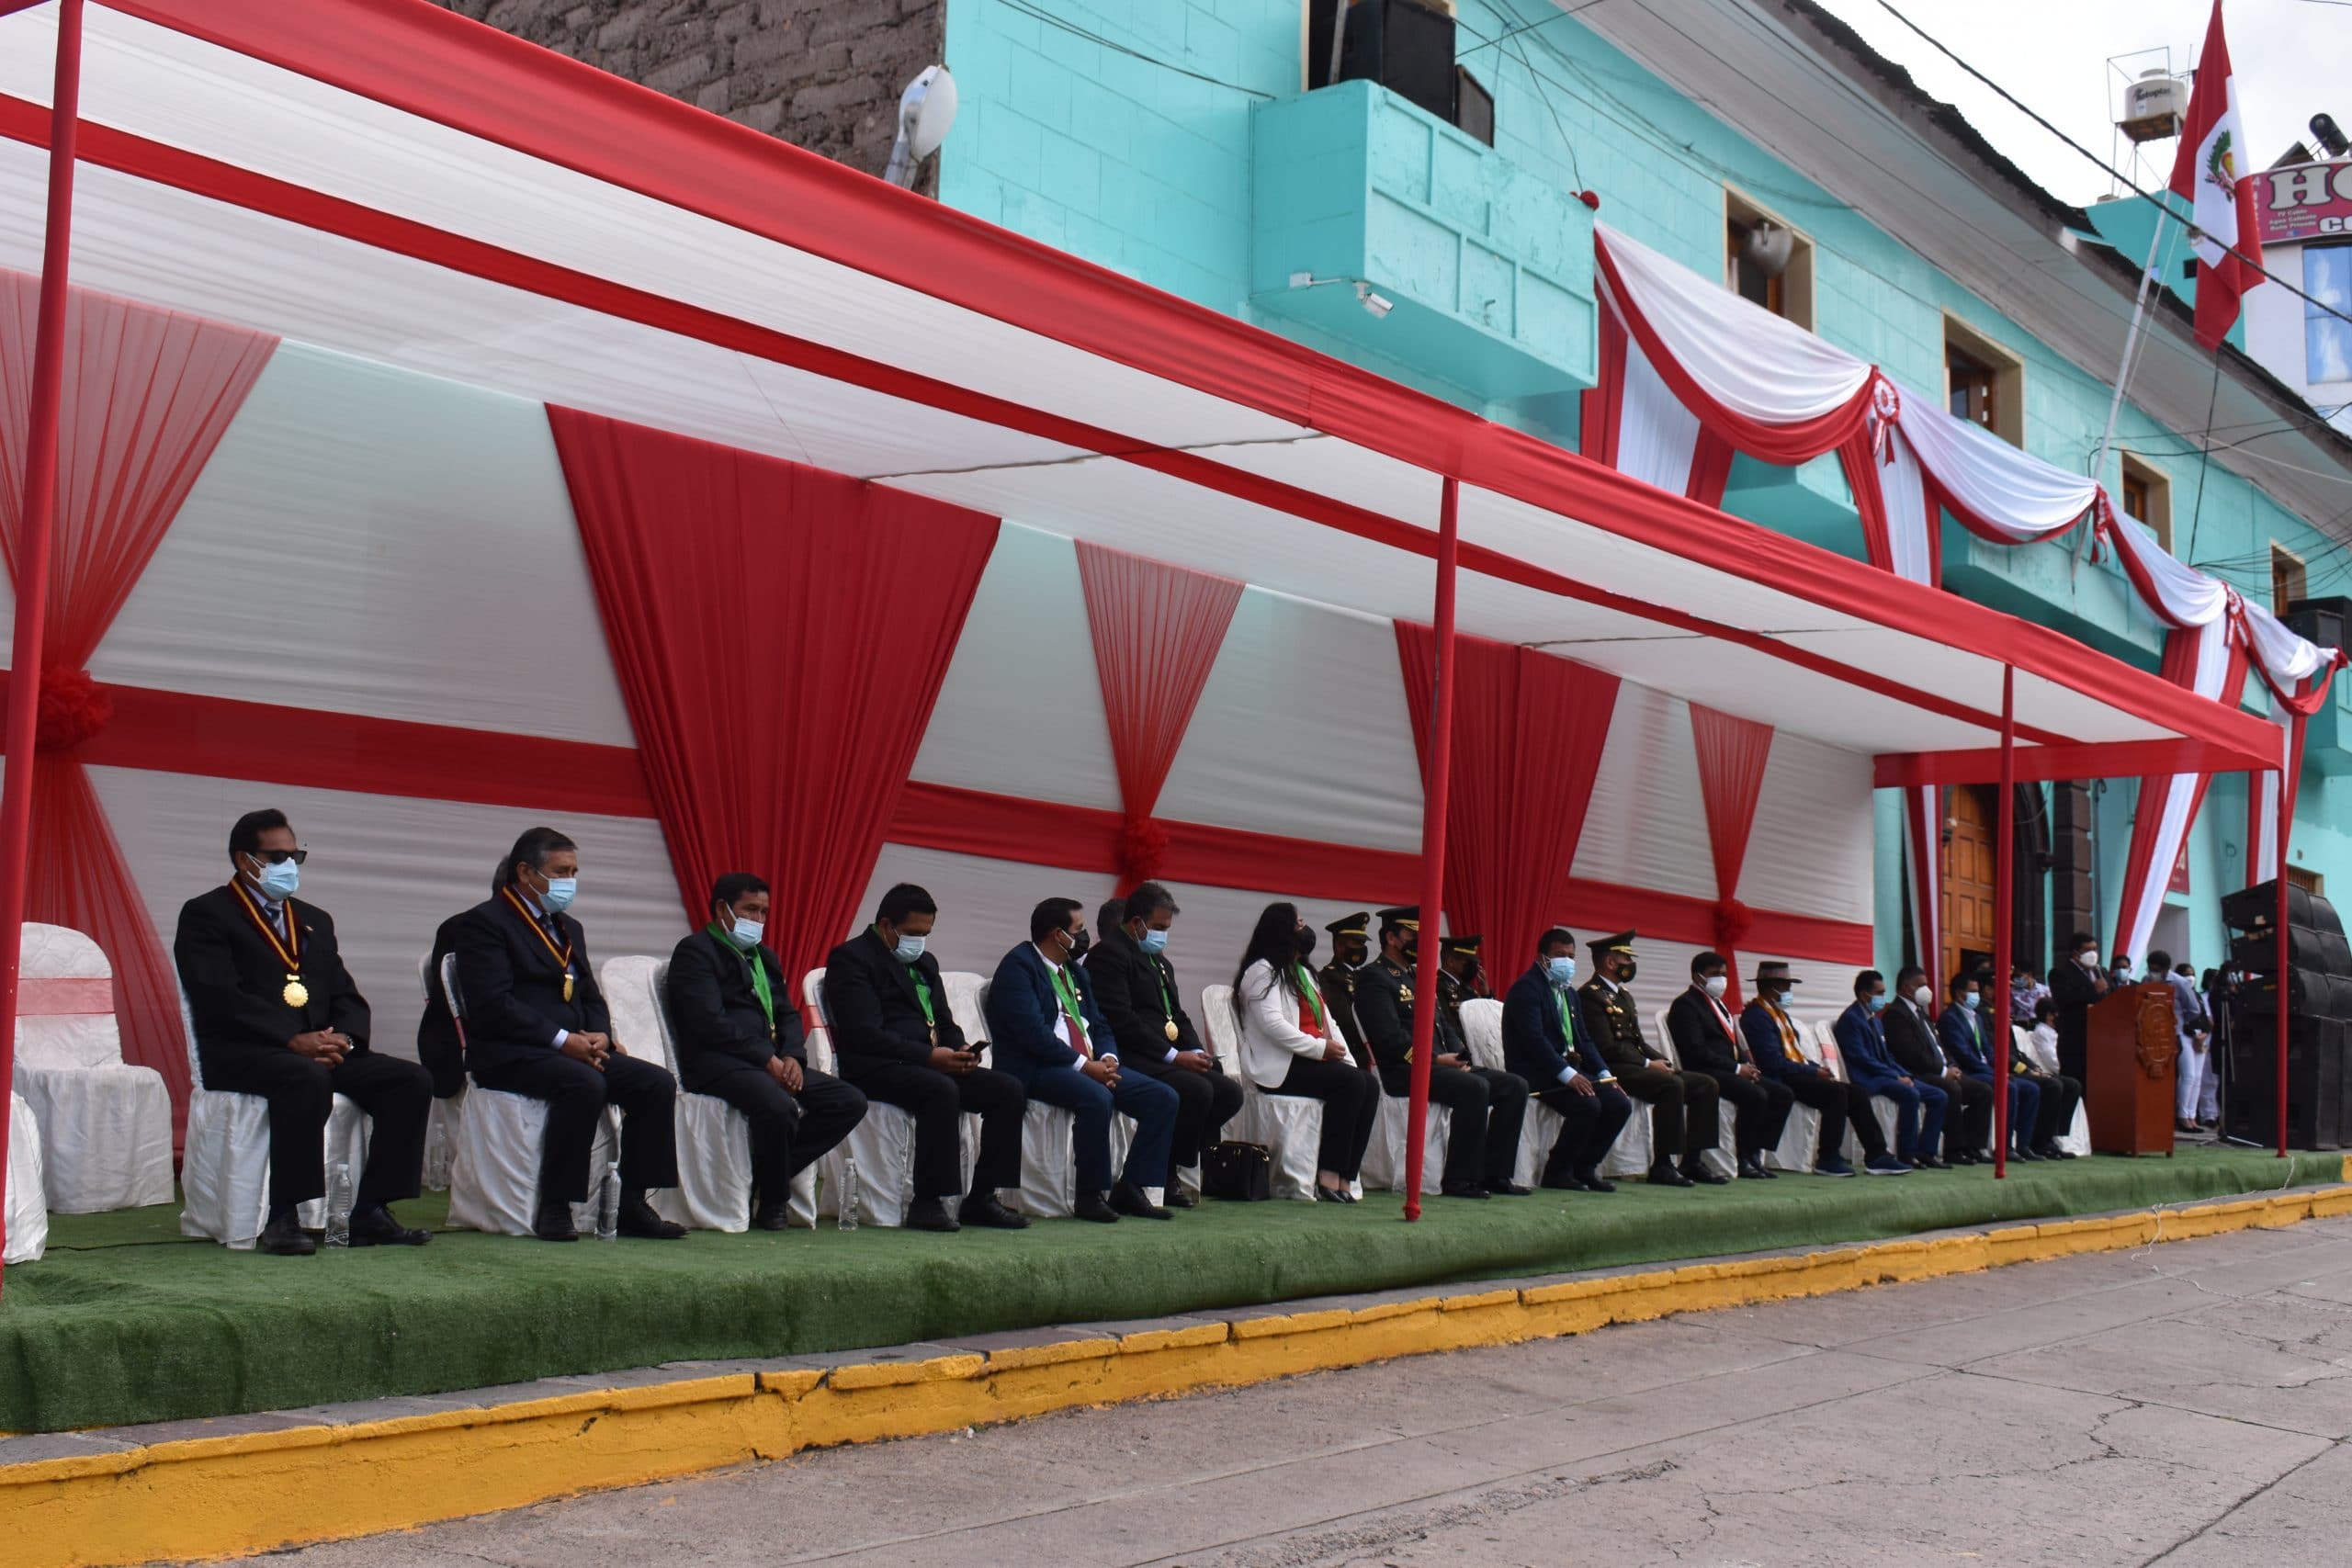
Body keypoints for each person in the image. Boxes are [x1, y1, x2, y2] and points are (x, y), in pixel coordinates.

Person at [173, 809, 434, 1256]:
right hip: (245, 1051)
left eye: (295, 855)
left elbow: (345, 995)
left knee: (410, 1081)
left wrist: (345, 1041)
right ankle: (282, 1214)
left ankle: (371, 1209)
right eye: (276, 857)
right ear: (244, 859)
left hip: (319, 1049)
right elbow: (219, 996)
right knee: (304, 1077)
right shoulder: (207, 914)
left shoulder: (314, 919)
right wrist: (290, 1040)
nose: (288, 866)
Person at [450, 826, 685, 1241]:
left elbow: (590, 993)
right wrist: (563, 1040)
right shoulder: (483, 923)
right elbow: (493, 1005)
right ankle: (557, 1205)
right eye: (561, 872)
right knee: (583, 1083)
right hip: (511, 1051)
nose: (569, 882)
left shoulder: (567, 926)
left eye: (574, 871)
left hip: (572, 1047)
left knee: (655, 1082)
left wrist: (599, 1034)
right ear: (525, 872)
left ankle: (633, 1200)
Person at [664, 873, 868, 1228]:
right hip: (719, 1062)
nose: (757, 920)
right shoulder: (695, 952)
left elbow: (787, 1014)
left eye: (763, 912)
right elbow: (709, 1022)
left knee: (848, 1101)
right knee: (777, 1106)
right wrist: (766, 1059)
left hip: (770, 1061)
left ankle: (767, 1173)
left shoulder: (764, 957)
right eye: (750, 910)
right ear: (722, 909)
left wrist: (793, 1057)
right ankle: (774, 1200)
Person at [822, 883, 1028, 1233]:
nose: (919, 941)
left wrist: (960, 1049)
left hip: (929, 1060)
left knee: (1008, 1089)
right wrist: (930, 1057)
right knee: (940, 1089)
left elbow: (944, 1022)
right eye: (912, 933)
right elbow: (863, 1033)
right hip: (876, 1064)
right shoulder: (852, 958)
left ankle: (983, 1197)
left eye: (926, 934)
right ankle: (928, 1202)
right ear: (885, 925)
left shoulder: (926, 962)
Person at [987, 897, 1182, 1222]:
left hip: (1088, 1063)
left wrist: (1107, 1057)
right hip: (1038, 1066)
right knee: (1097, 1097)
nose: (1085, 935)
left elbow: (1100, 1022)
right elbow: (1034, 1035)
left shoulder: (1074, 970)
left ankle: (1131, 1187)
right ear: (1057, 934)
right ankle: (1090, 1195)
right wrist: (1084, 1065)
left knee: (1163, 1097)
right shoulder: (1018, 967)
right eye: (1079, 929)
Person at [1353, 908, 1531, 1198]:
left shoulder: (1417, 976)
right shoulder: (1375, 978)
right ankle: (1459, 1180)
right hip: (1404, 1070)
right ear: (1391, 938)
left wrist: (1461, 1056)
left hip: (1440, 1066)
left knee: (1514, 1086)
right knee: (1475, 1088)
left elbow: (1444, 1026)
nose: (1421, 942)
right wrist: (1434, 1060)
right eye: (1413, 935)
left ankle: (1495, 1174)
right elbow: (1388, 1038)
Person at [1085, 881, 1242, 1204]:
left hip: (1164, 1055)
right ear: (1136, 923)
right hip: (1132, 1053)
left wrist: (1197, 1050)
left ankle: (1170, 1165)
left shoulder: (1159, 961)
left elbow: (1178, 1015)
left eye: (1167, 928)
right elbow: (1122, 1020)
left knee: (1228, 1091)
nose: (1163, 935)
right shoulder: (1109, 955)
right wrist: (1174, 1056)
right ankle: (1152, 1178)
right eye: (1157, 927)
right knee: (1197, 1090)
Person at [1230, 903, 1376, 1201]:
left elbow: (1329, 1023)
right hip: (1280, 1067)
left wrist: (1345, 1057)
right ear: (1282, 931)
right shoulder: (1261, 970)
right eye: (1298, 924)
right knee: (1350, 1084)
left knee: (1367, 1083)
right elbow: (1273, 1025)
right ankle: (1327, 1175)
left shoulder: (1302, 972)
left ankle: (1346, 1177)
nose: (1305, 929)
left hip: (1310, 1060)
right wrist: (1320, 1048)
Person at [1578, 931, 1725, 1188]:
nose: (1631, 965)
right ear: (1610, 963)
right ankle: (1663, 1164)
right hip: (1612, 1068)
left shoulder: (1623, 995)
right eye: (1626, 959)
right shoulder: (1590, 995)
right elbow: (1606, 1047)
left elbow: (1638, 1041)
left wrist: (1663, 1061)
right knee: (1671, 1086)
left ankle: (1693, 1160)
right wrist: (1648, 1064)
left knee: (1705, 1084)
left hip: (1636, 1064)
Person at [1741, 961, 1904, 1176]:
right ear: (1772, 987)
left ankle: (1877, 1154)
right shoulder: (1756, 1015)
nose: (1789, 992)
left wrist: (1817, 1068)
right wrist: (1811, 1072)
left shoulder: (1779, 1014)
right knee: (1835, 1094)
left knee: (1855, 1092)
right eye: (1786, 986)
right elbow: (1772, 1061)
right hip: (1778, 1077)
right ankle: (1828, 1157)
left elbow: (1796, 1054)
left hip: (1795, 1072)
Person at [1499, 929, 1632, 1191]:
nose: (1567, 962)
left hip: (1567, 1067)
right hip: (1534, 1071)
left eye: (1571, 956)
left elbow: (1584, 1040)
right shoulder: (1527, 989)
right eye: (1560, 955)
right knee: (1588, 1105)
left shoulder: (1568, 993)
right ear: (1542, 958)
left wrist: (1605, 1074)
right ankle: (1557, 1171)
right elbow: (1534, 1042)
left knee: (1619, 1103)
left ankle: (1585, 1168)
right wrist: (1568, 1075)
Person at [1668, 951, 1791, 1180]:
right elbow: (1696, 1051)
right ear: (1698, 976)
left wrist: (1746, 1066)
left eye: (1724, 974)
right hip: (1704, 1069)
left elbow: (1730, 1045)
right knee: (1756, 1095)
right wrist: (1736, 1069)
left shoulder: (1718, 1004)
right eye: (1714, 974)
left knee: (1782, 1094)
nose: (1721, 980)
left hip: (1728, 1067)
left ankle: (1755, 1153)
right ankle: (1742, 1158)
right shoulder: (1686, 1005)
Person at [1834, 970, 1949, 1170]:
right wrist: (1895, 1076)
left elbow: (1887, 1057)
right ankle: (1907, 1154)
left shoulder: (1875, 1020)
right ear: (1864, 995)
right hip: (1868, 1078)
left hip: (1886, 1074)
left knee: (1939, 1096)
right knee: (1910, 1094)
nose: (1883, 998)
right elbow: (1862, 1059)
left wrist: (1903, 1074)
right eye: (1879, 993)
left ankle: (1926, 1152)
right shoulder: (1850, 1020)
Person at [1883, 964, 1981, 1164]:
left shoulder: (1921, 1013)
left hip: (1941, 1070)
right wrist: (1943, 1071)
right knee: (1950, 1090)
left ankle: (1973, 1147)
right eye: (1921, 985)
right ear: (1906, 988)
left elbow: (1940, 1046)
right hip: (1918, 1072)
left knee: (1983, 1091)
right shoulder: (1896, 1014)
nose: (1927, 990)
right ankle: (1951, 1150)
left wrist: (1952, 1066)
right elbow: (1910, 1054)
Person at [1939, 970, 2040, 1162]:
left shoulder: (1975, 1017)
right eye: (1973, 991)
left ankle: (2024, 1144)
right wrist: (1995, 1074)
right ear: (1960, 994)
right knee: (2008, 1087)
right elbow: (1965, 1056)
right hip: (1970, 1071)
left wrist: (2000, 1070)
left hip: (1988, 1070)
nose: (1976, 995)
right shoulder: (1950, 1018)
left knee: (2031, 1088)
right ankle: (2003, 1146)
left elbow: (1988, 1050)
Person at [2009, 994, 2082, 1158]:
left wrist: (2033, 1067)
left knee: (2073, 1085)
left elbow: (2018, 1053)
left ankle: (2053, 1136)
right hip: (2014, 1072)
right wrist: (2027, 1071)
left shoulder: (2053, 1032)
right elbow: (2052, 1060)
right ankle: (2039, 1141)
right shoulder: (2042, 1032)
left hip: (2029, 1069)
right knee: (2053, 1085)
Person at [2152, 948, 2211, 1135]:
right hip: (2158, 1033)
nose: (2152, 973)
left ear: (2165, 969)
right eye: (2150, 968)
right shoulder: (2148, 980)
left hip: (2183, 1032)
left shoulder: (2179, 983)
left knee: (2194, 1077)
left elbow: (2193, 1009)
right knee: (2187, 1075)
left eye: (2155, 969)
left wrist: (2187, 1026)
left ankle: (2191, 1116)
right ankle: (2182, 1116)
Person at [1316, 911, 1379, 1071]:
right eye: (1356, 943)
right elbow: (1346, 1022)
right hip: (1354, 1053)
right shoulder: (1329, 978)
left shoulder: (1366, 975)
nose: (1362, 948)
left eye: (1363, 943)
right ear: (1339, 945)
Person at [2048, 931, 2110, 1085]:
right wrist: (2093, 990)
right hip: (2076, 1040)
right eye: (2088, 950)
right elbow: (2064, 999)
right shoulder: (2060, 973)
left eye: (2095, 949)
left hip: (2102, 1038)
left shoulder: (2101, 972)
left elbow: (2112, 997)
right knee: (2077, 1084)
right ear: (2076, 953)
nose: (2093, 953)